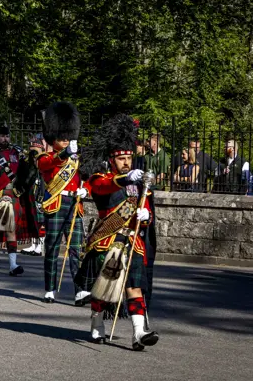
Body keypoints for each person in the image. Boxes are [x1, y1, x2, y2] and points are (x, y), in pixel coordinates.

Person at [75, 114, 159, 350]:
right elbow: (102, 188)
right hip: (107, 239)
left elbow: (146, 211)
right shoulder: (102, 178)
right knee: (104, 288)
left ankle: (139, 333)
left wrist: (146, 217)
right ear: (112, 160)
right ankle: (97, 325)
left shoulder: (142, 184)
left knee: (134, 287)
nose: (126, 162)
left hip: (132, 240)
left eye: (129, 158)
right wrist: (123, 179)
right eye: (121, 158)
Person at [37, 102, 89, 305]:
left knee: (76, 248)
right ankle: (50, 288)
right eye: (62, 138)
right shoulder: (46, 157)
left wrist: (87, 190)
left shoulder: (77, 158)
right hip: (56, 203)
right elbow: (50, 164)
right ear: (53, 138)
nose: (66, 141)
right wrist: (65, 154)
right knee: (53, 248)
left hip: (75, 202)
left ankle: (80, 290)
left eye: (68, 137)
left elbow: (89, 177)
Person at [0, 125, 38, 275]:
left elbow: (28, 164)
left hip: (13, 194)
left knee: (11, 230)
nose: (5, 139)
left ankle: (13, 265)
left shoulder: (16, 150)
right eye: (2, 136)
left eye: (7, 136)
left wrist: (33, 154)